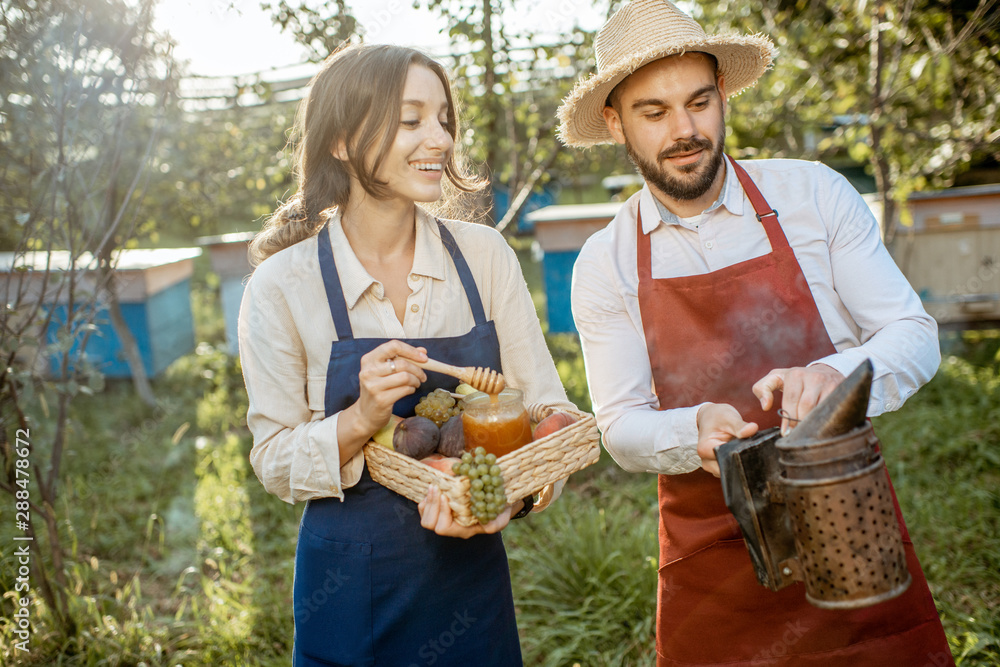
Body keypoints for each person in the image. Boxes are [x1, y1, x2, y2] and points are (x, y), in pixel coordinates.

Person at [560, 0, 954, 665]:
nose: (684, 130)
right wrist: (693, 430)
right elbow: (621, 424)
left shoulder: (815, 197)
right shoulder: (606, 261)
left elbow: (913, 333)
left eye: (699, 102)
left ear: (723, 97)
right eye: (654, 113)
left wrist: (838, 376)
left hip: (850, 532)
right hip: (709, 562)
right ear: (615, 123)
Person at [238, 44, 573, 666]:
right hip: (348, 588)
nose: (439, 138)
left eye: (444, 118)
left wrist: (510, 495)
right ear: (341, 139)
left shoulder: (484, 256)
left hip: (470, 584)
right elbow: (273, 460)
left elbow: (548, 411)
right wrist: (361, 419)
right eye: (411, 118)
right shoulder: (282, 286)